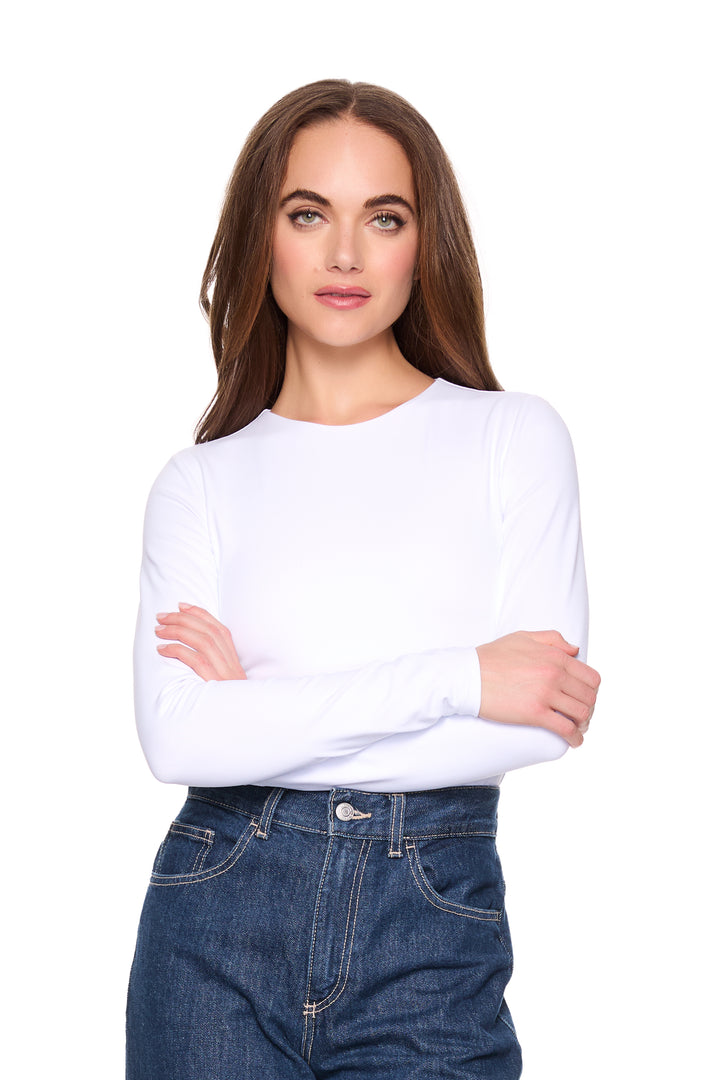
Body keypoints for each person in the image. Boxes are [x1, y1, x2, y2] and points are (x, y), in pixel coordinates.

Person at [126, 79, 600, 1079]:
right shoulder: (198, 482)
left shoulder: (512, 438)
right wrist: (460, 676)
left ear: (423, 245)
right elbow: (179, 739)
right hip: (215, 921)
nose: (345, 254)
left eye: (384, 218)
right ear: (262, 237)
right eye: (308, 214)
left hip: (431, 936)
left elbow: (538, 721)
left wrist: (259, 713)